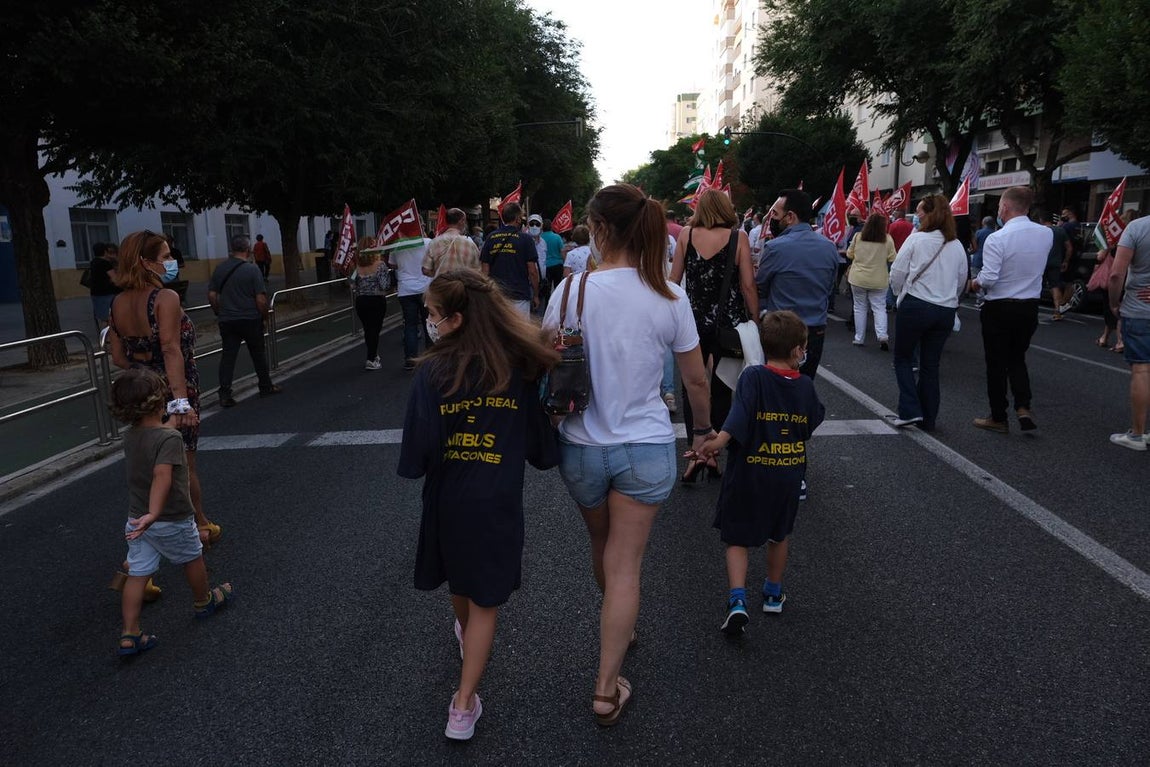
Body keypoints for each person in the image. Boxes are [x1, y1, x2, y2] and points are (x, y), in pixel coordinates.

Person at [543, 183, 714, 727]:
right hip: (645, 446)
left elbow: (547, 361)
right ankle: (604, 687)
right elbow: (694, 379)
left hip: (582, 446)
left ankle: (620, 624)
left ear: (595, 229)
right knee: (627, 565)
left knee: (603, 546)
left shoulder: (569, 292)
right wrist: (703, 434)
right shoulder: (668, 295)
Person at [398, 269, 559, 739]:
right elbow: (538, 447)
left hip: (447, 496)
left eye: (431, 314)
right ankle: (462, 706)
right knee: (486, 599)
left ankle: (467, 663)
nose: (427, 322)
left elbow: (418, 454)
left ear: (454, 317)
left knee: (458, 576)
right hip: (497, 498)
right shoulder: (516, 367)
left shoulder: (432, 370)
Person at [696, 311, 825, 633]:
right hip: (789, 473)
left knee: (737, 536)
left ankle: (737, 599)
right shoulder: (805, 385)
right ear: (798, 350)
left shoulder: (753, 377)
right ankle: (772, 592)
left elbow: (738, 417)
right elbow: (810, 424)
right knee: (778, 533)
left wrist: (718, 441)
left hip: (750, 471)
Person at [107, 230, 220, 551]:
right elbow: (171, 349)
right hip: (174, 389)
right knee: (184, 464)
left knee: (149, 466)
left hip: (143, 391)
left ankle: (148, 540)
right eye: (166, 257)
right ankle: (198, 527)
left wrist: (143, 371)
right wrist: (181, 402)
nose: (172, 262)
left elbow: (117, 356)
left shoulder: (117, 303)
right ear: (146, 262)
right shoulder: (165, 298)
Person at [108, 368, 232, 657]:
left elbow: (157, 436)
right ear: (160, 400)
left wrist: (146, 515)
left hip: (137, 520)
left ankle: (130, 632)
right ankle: (204, 601)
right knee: (192, 557)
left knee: (138, 574)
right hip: (170, 517)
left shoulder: (132, 437)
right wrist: (155, 512)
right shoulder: (170, 440)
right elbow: (162, 474)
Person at [670, 189, 759, 480]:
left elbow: (674, 281)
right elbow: (747, 285)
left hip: (691, 322)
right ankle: (713, 455)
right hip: (727, 324)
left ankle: (694, 453)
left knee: (691, 386)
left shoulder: (686, 234)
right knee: (722, 387)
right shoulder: (738, 238)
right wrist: (755, 319)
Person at [970, 186, 1051, 433]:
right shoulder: (1045, 234)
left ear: (1005, 207)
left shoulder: (998, 237)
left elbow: (990, 278)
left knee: (996, 363)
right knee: (1017, 357)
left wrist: (975, 282)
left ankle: (998, 416)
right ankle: (1023, 405)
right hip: (1029, 306)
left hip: (1000, 306)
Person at [888, 195, 970, 430]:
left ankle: (910, 409)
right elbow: (962, 279)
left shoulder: (917, 239)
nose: (917, 215)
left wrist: (898, 294)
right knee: (930, 364)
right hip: (944, 309)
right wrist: (950, 299)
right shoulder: (956, 245)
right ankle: (929, 417)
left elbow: (897, 272)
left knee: (903, 358)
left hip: (916, 304)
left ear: (929, 214)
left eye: (920, 211)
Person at [756, 188, 840, 379]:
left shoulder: (775, 247)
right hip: (815, 329)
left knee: (776, 387)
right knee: (805, 385)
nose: (772, 219)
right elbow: (829, 287)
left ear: (790, 217)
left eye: (775, 214)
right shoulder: (829, 247)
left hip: (781, 331)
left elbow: (760, 285)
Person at [208, 235, 281, 406]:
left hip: (228, 320)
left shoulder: (220, 268)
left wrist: (219, 312)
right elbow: (260, 299)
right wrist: (265, 316)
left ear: (231, 249)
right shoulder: (252, 270)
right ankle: (265, 386)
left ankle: (225, 394)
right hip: (250, 318)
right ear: (248, 251)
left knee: (228, 356)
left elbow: (211, 294)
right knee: (258, 354)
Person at [1108, 216, 1150, 450]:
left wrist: (1114, 304)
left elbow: (1116, 274)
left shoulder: (1137, 227)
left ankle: (1137, 434)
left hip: (1140, 309)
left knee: (1142, 369)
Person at [479, 202, 539, 317]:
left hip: (496, 296)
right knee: (520, 332)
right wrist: (536, 295)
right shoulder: (526, 239)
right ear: (517, 219)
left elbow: (484, 271)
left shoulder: (491, 238)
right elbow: (532, 271)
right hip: (519, 296)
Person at [846, 213, 896, 348]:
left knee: (859, 308)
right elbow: (892, 258)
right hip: (879, 279)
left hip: (858, 278)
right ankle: (882, 335)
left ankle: (859, 338)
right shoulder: (888, 239)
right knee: (879, 308)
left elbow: (849, 254)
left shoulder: (858, 237)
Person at [394, 236, 433, 371]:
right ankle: (431, 357)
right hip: (425, 288)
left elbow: (392, 264)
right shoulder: (428, 242)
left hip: (405, 289)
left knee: (410, 325)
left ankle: (410, 359)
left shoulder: (398, 244)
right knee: (428, 323)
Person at [350, 243, 390, 370]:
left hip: (361, 301)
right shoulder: (380, 265)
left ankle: (373, 355)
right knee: (375, 329)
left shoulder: (357, 267)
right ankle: (371, 359)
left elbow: (352, 284)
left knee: (368, 329)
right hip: (376, 300)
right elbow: (385, 285)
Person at [422, 208, 480, 277]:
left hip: (440, 285)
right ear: (461, 221)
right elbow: (477, 270)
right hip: (462, 285)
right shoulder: (470, 244)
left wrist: (439, 275)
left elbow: (425, 270)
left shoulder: (434, 242)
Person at [1039, 212, 1073, 320]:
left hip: (1041, 262)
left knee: (1037, 285)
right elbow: (1069, 247)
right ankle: (1057, 311)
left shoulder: (1040, 231)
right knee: (1055, 286)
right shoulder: (1060, 230)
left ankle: (1033, 309)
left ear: (1041, 220)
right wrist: (1066, 261)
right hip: (1056, 262)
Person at [88, 242, 121, 328]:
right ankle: (108, 337)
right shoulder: (105, 263)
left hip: (96, 293)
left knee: (104, 318)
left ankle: (105, 337)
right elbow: (115, 279)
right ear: (105, 251)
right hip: (107, 293)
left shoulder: (93, 262)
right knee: (109, 317)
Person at [540, 218, 566, 297]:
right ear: (551, 227)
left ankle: (548, 304)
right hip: (558, 265)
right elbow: (562, 251)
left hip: (546, 267)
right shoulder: (557, 237)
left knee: (547, 288)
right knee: (558, 287)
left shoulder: (540, 238)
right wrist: (565, 262)